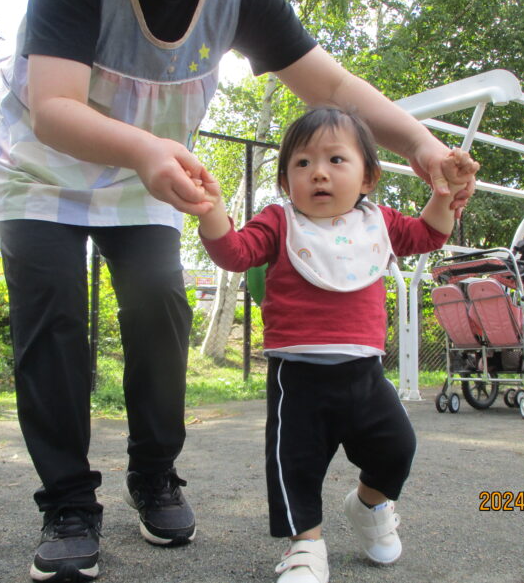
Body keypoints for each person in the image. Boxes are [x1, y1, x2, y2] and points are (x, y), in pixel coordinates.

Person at [0, 0, 477, 581]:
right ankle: (67, 503)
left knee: (160, 305)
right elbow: (54, 107)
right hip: (40, 167)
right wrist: (145, 149)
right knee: (51, 318)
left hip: (153, 177)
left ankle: (154, 474)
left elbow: (334, 85)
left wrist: (420, 144)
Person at [194, 107, 478, 583]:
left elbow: (429, 234)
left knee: (397, 446)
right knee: (294, 465)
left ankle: (369, 505)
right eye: (302, 164)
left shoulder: (378, 222)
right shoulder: (280, 222)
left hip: (365, 373)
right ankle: (305, 544)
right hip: (297, 377)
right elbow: (235, 252)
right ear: (286, 182)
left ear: (368, 177)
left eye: (335, 160)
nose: (318, 172)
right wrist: (211, 212)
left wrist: (443, 192)